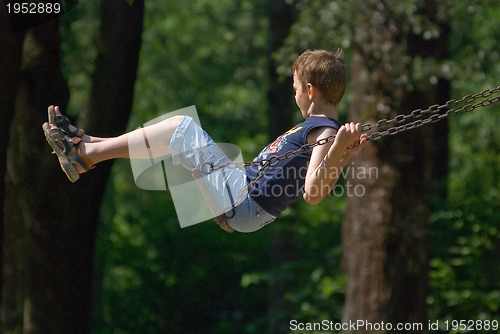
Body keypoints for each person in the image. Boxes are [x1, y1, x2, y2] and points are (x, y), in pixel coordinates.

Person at [43, 49, 366, 233]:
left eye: (295, 88)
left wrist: (339, 149)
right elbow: (320, 173)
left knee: (182, 128)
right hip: (241, 197)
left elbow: (313, 194)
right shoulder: (319, 130)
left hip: (245, 204)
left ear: (310, 90)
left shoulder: (325, 132)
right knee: (175, 137)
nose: (294, 94)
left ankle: (88, 153)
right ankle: (92, 145)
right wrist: (344, 155)